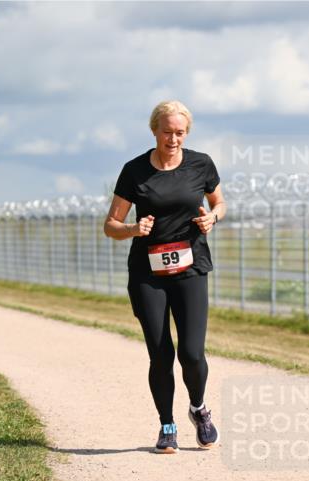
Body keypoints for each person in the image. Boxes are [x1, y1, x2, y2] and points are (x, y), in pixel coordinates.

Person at [104, 100, 226, 454]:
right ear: (154, 130)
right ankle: (166, 425)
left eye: (180, 133)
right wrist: (132, 229)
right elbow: (110, 225)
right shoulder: (135, 171)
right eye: (167, 132)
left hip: (190, 267)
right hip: (148, 273)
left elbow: (219, 203)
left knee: (191, 353)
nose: (173, 139)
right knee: (161, 355)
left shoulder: (201, 164)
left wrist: (212, 219)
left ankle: (199, 408)